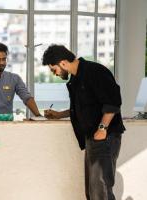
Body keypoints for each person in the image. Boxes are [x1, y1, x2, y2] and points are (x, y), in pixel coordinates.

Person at [42, 44, 125, 200]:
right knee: (93, 192)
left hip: (105, 137)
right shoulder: (75, 79)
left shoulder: (95, 72)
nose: (55, 74)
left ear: (63, 63)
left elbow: (113, 103)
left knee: (101, 190)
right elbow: (83, 108)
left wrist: (102, 128)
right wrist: (59, 115)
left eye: (54, 70)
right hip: (93, 139)